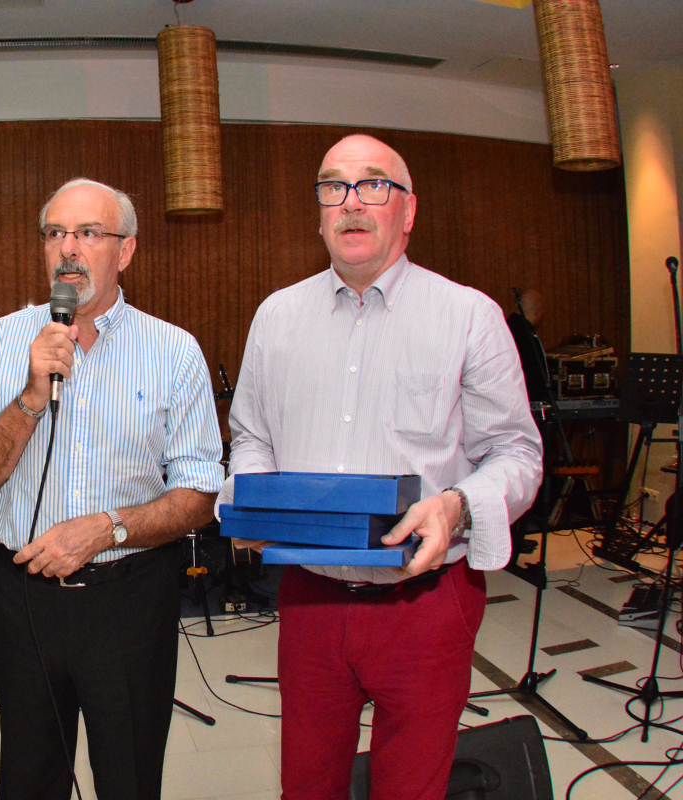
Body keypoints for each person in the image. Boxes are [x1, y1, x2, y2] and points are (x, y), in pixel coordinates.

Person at [220, 134, 543, 800]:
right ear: (319, 213)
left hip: (425, 603)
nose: (351, 202)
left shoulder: (468, 317)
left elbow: (517, 452)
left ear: (408, 210)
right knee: (307, 784)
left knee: (412, 788)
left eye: (373, 185)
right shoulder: (277, 317)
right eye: (332, 187)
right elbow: (252, 435)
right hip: (311, 598)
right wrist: (253, 501)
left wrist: (456, 505)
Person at [0, 178, 223, 800]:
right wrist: (30, 397)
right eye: (55, 233)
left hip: (130, 600)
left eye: (88, 233)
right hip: (24, 598)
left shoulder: (173, 351)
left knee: (129, 778)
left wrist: (108, 528)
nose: (68, 248)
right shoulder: (1, 342)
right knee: (29, 778)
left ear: (125, 250)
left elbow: (201, 492)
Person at [507, 288, 553, 404]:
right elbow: (537, 381)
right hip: (525, 403)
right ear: (538, 312)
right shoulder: (530, 340)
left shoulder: (503, 330)